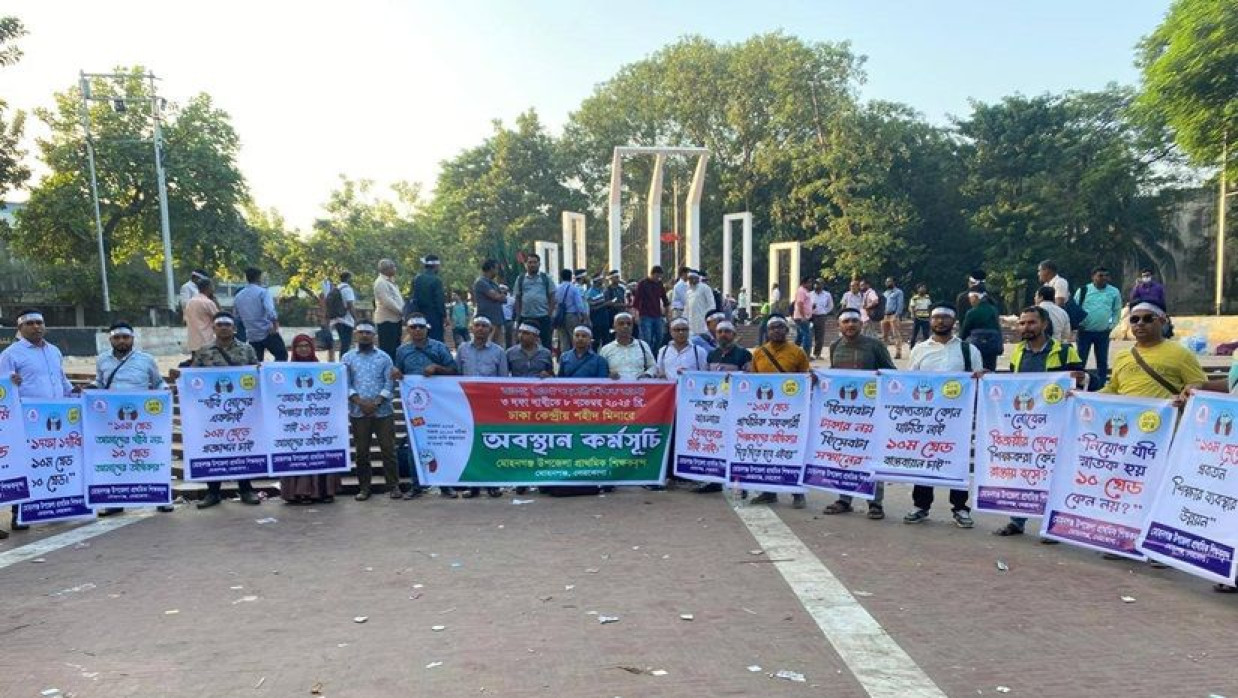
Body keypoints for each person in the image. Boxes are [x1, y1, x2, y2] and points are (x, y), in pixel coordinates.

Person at [992, 306, 1083, 539]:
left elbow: (1083, 383)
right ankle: (1017, 520)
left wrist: (1080, 380)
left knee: (1053, 475)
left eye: (1031, 323)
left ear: (1044, 324)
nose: (1026, 327)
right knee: (1023, 471)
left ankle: (1052, 526)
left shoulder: (1064, 351)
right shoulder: (1018, 352)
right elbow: (1014, 385)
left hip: (1056, 425)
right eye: (1022, 323)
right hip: (1024, 423)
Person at [903, 303, 983, 528]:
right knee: (925, 459)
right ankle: (921, 505)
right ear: (930, 321)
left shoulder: (968, 350)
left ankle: (960, 507)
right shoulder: (919, 349)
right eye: (936, 317)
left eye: (945, 317)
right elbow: (912, 382)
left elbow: (978, 381)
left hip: (959, 419)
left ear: (954, 321)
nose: (940, 321)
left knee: (957, 462)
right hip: (927, 418)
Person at [1, 309, 77, 535]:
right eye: (31, 323)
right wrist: (8, 382)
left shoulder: (54, 351)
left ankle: (54, 508)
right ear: (20, 328)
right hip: (27, 422)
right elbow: (3, 389)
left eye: (40, 323)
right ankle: (20, 514)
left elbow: (61, 380)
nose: (36, 327)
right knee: (27, 467)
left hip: (57, 421)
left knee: (54, 464)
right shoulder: (10, 355)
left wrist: (75, 394)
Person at [90, 322, 175, 516]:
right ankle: (115, 501)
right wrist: (90, 389)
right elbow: (100, 383)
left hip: (143, 421)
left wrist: (165, 392)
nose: (121, 341)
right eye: (117, 337)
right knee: (115, 459)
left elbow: (158, 382)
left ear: (132, 339)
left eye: (125, 337)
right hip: (112, 421)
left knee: (150, 457)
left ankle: (161, 498)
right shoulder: (102, 360)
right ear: (110, 339)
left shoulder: (146, 360)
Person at [821, 308, 896, 519]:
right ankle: (844, 499)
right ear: (839, 326)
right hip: (844, 414)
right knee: (845, 457)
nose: (851, 325)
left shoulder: (875, 346)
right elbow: (833, 376)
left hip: (871, 412)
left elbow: (891, 374)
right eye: (846, 321)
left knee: (871, 456)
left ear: (861, 324)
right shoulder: (835, 346)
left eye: (854, 320)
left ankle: (875, 503)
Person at [190, 312, 262, 509]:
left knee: (242, 447)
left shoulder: (247, 350)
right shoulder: (203, 352)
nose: (223, 327)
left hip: (241, 411)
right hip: (213, 413)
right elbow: (193, 380)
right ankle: (212, 492)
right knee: (215, 449)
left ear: (234, 328)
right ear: (213, 328)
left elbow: (255, 377)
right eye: (219, 324)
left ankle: (246, 489)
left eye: (227, 324)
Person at [747, 314, 811, 509]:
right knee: (768, 452)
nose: (776, 330)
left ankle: (797, 492)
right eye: (772, 327)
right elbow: (753, 380)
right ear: (767, 332)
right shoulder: (759, 353)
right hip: (766, 412)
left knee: (793, 451)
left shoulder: (798, 352)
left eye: (780, 327)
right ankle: (769, 492)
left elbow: (806, 378)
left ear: (787, 330)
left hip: (791, 411)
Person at [392, 314, 459, 497]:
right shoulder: (402, 351)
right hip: (415, 407)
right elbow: (398, 373)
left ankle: (445, 484)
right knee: (414, 444)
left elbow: (454, 371)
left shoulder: (439, 347)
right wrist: (396, 373)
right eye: (413, 327)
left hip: (439, 406)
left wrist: (437, 369)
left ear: (427, 328)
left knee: (441, 442)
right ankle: (417, 485)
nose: (417, 330)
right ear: (408, 330)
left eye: (421, 327)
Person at [343, 323, 405, 503]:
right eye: (361, 332)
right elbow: (345, 383)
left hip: (383, 411)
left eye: (368, 333)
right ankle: (364, 488)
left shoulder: (384, 358)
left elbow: (390, 383)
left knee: (389, 450)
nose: (364, 335)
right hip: (358, 412)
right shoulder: (347, 358)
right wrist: (359, 402)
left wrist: (376, 402)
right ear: (356, 334)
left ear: (374, 335)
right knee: (362, 453)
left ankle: (393, 486)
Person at [279, 334, 342, 505]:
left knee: (320, 453)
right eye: (299, 346)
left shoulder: (322, 371)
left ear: (312, 347)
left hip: (319, 421)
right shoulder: (285, 372)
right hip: (295, 422)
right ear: (294, 349)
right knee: (298, 454)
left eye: (307, 345)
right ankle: (299, 492)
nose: (303, 349)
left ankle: (325, 491)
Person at [1099, 301, 1205, 401]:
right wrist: (1087, 397)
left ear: (1162, 321)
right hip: (1128, 418)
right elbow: (1113, 389)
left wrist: (1185, 395)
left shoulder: (1181, 353)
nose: (1140, 323)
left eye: (1148, 318)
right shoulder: (1121, 356)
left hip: (1162, 419)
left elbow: (1198, 385)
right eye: (1134, 319)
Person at [456, 317, 507, 498]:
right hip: (467, 406)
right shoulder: (462, 349)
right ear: (471, 328)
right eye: (477, 325)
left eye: (484, 326)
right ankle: (474, 485)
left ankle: (493, 484)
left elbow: (503, 381)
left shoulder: (499, 352)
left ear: (490, 329)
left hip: (490, 406)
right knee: (471, 446)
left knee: (490, 444)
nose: (480, 329)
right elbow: (456, 377)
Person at [1073, 266, 1123, 389]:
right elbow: (1074, 308)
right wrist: (1076, 325)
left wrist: (1111, 326)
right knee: (1080, 360)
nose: (1104, 278)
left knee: (1102, 361)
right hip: (1085, 332)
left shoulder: (1114, 292)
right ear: (1093, 277)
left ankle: (1101, 387)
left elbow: (1116, 311)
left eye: (1106, 275)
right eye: (1100, 275)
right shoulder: (1083, 290)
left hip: (1103, 332)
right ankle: (1079, 384)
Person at [233, 267, 288, 361]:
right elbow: (270, 311)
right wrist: (275, 326)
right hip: (267, 331)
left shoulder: (238, 296)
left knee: (256, 362)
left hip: (251, 334)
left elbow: (236, 315)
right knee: (281, 355)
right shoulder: (263, 292)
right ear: (259, 277)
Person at [514, 253, 556, 352]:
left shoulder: (546, 278)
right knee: (523, 342)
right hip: (525, 317)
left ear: (539, 264)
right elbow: (517, 298)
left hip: (543, 317)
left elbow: (552, 297)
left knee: (546, 344)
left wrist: (549, 314)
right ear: (526, 264)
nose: (532, 265)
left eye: (534, 262)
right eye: (530, 262)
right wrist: (518, 315)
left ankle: (547, 365)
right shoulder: (520, 279)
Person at [600, 313, 656, 380]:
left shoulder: (643, 345)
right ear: (614, 327)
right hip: (616, 388)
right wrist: (608, 375)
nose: (625, 326)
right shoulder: (606, 349)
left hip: (640, 388)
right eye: (621, 324)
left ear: (632, 327)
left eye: (629, 324)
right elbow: (600, 371)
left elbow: (653, 366)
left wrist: (647, 374)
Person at [960, 290, 1003, 371]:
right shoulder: (993, 310)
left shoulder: (972, 312)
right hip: (992, 347)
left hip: (975, 347)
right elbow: (998, 328)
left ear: (976, 297)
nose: (970, 301)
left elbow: (964, 332)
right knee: (990, 371)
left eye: (970, 298)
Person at [411, 254, 447, 343]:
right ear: (436, 265)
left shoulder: (416, 279)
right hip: (434, 316)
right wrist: (444, 316)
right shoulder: (436, 280)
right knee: (435, 341)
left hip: (419, 315)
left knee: (420, 341)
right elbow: (439, 301)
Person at [373, 258, 405, 360]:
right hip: (387, 320)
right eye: (394, 267)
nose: (395, 269)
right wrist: (401, 311)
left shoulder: (390, 281)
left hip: (396, 319)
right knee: (388, 348)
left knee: (396, 347)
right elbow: (387, 301)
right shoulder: (380, 282)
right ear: (388, 269)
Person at [553, 268, 589, 354]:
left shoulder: (557, 288)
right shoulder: (573, 288)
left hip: (560, 316)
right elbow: (579, 305)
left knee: (563, 340)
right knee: (575, 338)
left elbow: (554, 302)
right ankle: (575, 357)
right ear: (570, 277)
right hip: (572, 316)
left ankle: (565, 358)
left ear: (561, 277)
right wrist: (585, 318)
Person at [183, 277, 220, 356]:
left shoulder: (190, 302)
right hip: (206, 341)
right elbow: (219, 318)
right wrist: (216, 302)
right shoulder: (208, 302)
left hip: (193, 342)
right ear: (208, 288)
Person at [326, 271, 357, 356]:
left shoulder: (336, 289)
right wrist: (356, 319)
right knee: (346, 342)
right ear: (348, 279)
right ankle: (343, 361)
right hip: (346, 320)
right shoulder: (347, 289)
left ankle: (342, 359)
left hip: (336, 319)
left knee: (343, 341)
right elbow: (350, 305)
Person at [809, 279, 835, 359]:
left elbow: (830, 306)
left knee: (820, 336)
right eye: (815, 284)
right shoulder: (809, 294)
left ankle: (817, 354)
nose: (816, 286)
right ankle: (808, 353)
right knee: (809, 335)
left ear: (822, 285)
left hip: (821, 316)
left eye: (819, 284)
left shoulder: (827, 295)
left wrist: (824, 312)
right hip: (811, 316)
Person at [684, 270, 715, 336]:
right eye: (689, 278)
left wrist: (706, 316)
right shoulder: (688, 292)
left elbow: (712, 305)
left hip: (703, 322)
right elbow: (686, 308)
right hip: (691, 323)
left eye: (692, 278)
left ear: (697, 278)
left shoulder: (705, 288)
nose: (690, 280)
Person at [881, 277, 906, 360]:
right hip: (885, 315)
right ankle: (884, 353)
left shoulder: (898, 292)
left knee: (896, 334)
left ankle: (898, 352)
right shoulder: (885, 293)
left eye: (890, 282)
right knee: (884, 335)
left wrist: (897, 314)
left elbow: (900, 304)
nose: (888, 283)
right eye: (887, 282)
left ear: (893, 282)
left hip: (893, 315)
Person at [792, 277, 814, 355]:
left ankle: (793, 353)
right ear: (804, 283)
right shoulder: (801, 291)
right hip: (801, 317)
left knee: (800, 336)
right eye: (809, 282)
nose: (811, 284)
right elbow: (800, 304)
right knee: (807, 335)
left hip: (803, 316)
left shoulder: (805, 291)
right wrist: (803, 316)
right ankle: (806, 354)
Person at [908, 283, 932, 349]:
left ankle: (927, 348)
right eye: (921, 287)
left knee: (926, 334)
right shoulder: (914, 298)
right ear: (918, 289)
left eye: (924, 288)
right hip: (917, 318)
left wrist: (930, 316)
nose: (923, 289)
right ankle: (912, 347)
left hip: (926, 318)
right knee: (914, 334)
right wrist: (912, 315)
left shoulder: (927, 297)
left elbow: (929, 307)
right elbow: (912, 307)